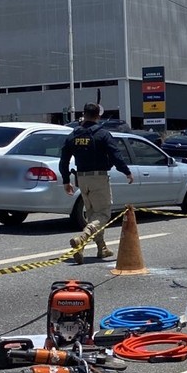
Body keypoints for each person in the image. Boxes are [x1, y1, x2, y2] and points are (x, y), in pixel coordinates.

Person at [60, 103, 134, 264]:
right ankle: (82, 237)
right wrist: (126, 171)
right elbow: (115, 155)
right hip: (98, 178)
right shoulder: (102, 134)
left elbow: (63, 160)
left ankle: (101, 248)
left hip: (81, 179)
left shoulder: (73, 135)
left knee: (93, 214)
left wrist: (66, 181)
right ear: (98, 116)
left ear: (83, 114)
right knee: (103, 214)